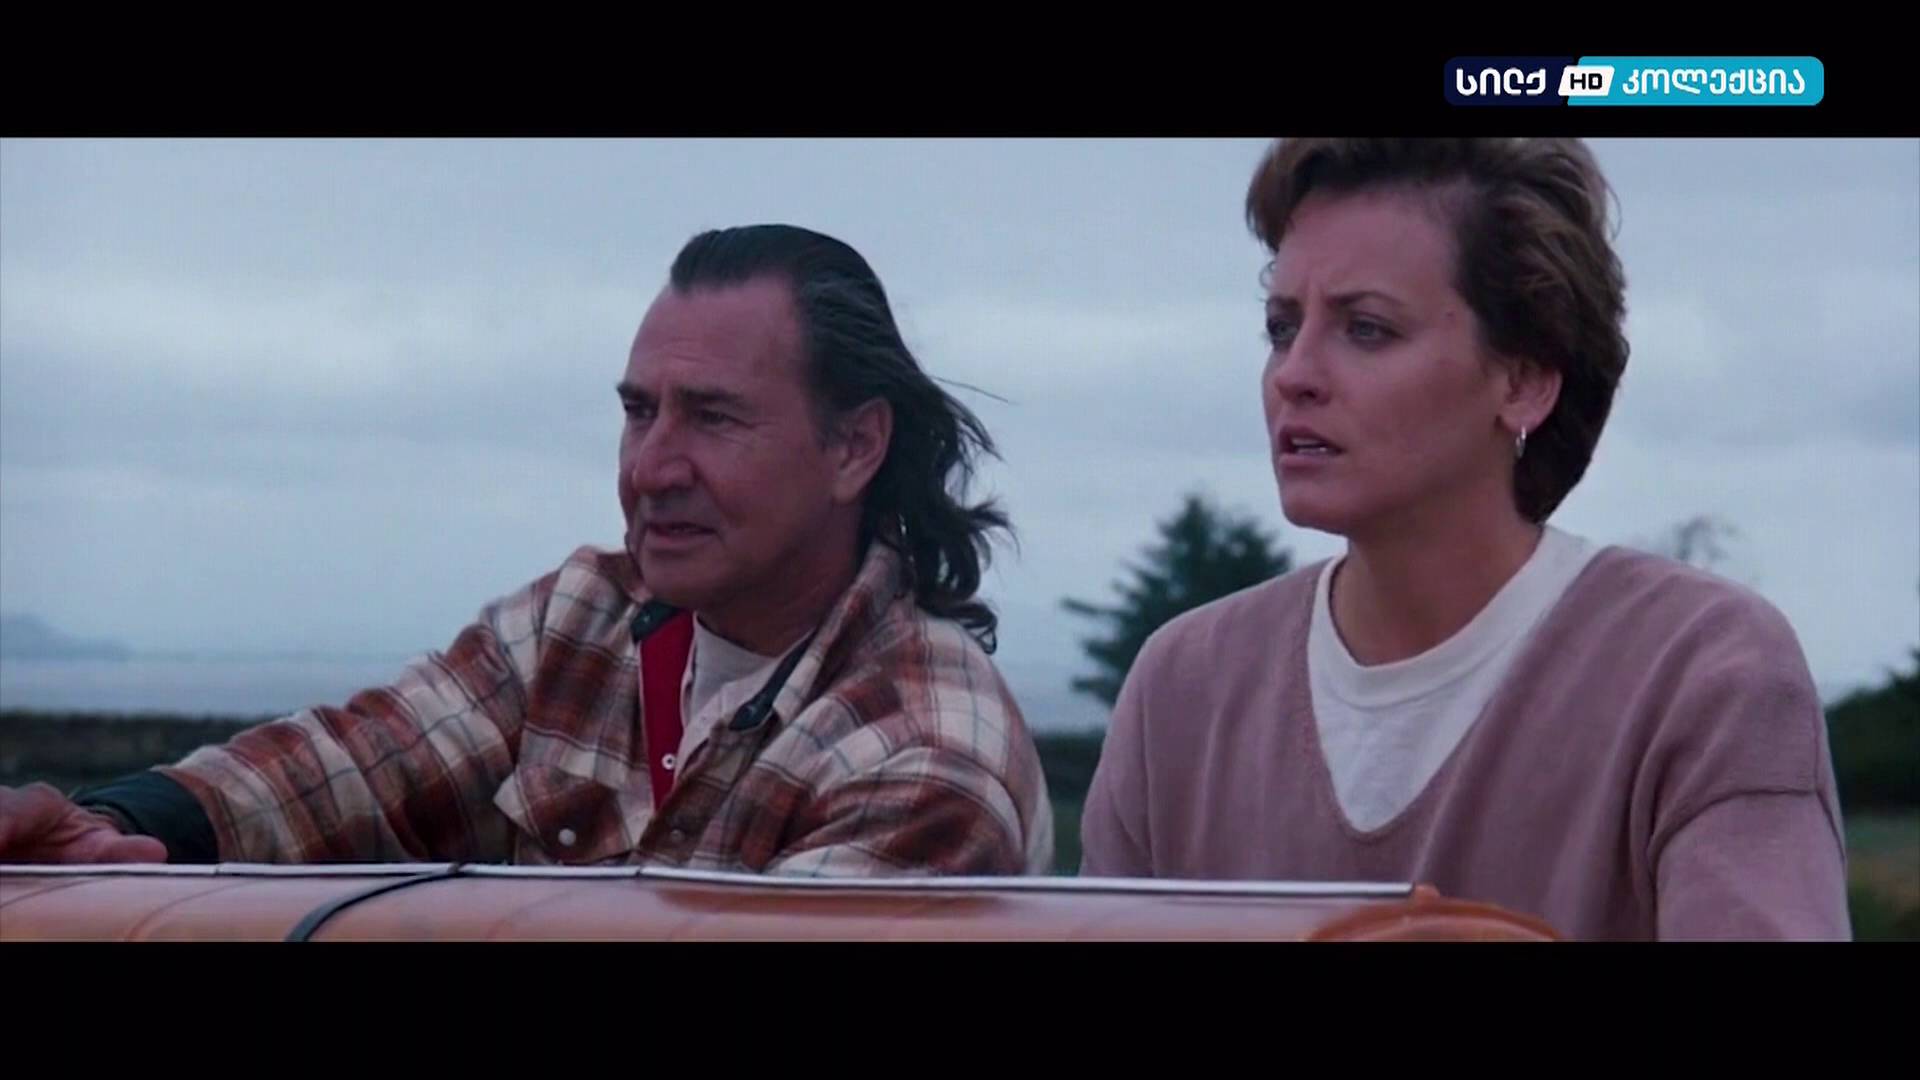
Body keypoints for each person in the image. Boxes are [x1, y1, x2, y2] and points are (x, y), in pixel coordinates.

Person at [0, 223, 1054, 877]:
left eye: (713, 418)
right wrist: (109, 830)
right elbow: (358, 765)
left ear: (855, 446)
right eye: (638, 412)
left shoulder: (930, 758)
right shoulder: (584, 620)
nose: (653, 466)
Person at [1078, 138, 1851, 940]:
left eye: (1366, 329)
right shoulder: (1184, 690)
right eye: (1282, 327)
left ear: (1523, 381)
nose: (1293, 374)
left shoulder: (1701, 671)